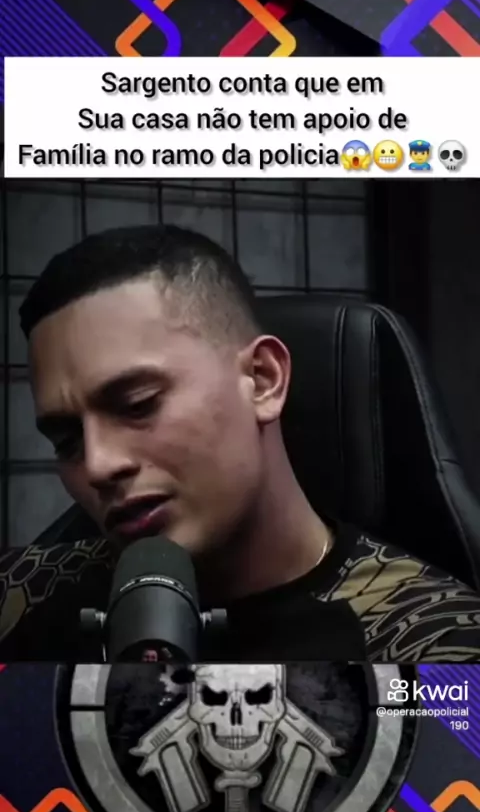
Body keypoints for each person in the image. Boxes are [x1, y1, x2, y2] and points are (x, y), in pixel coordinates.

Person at [1, 223, 480, 662]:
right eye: (66, 440)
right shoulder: (24, 599)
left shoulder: (436, 648)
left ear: (262, 380)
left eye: (137, 405)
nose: (98, 465)